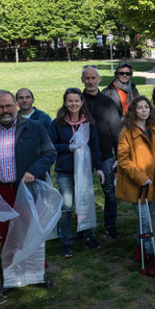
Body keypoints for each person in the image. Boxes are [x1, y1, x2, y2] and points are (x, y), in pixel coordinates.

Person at [0, 91, 57, 290]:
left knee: (32, 231)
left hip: (27, 189)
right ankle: (12, 277)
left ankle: (37, 274)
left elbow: (49, 153)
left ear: (16, 106)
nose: (5, 110)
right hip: (1, 191)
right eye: (0, 107)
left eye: (9, 106)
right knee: (7, 234)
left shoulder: (34, 128)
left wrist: (33, 171)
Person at [116, 96, 155, 276]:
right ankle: (150, 255)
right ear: (134, 111)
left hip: (153, 183)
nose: (144, 111)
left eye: (146, 107)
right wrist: (139, 177)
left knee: (148, 218)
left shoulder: (152, 129)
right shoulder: (127, 132)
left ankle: (141, 248)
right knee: (145, 222)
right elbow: (123, 160)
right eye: (140, 108)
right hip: (137, 184)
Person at [48, 88, 105, 259]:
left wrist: (99, 168)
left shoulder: (88, 123)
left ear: (81, 103)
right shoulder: (57, 123)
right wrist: (68, 147)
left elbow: (95, 146)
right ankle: (66, 243)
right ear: (65, 103)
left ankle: (88, 236)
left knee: (86, 203)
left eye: (76, 101)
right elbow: (51, 146)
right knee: (67, 208)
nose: (73, 104)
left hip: (85, 170)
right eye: (70, 101)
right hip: (65, 171)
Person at [81, 65, 122, 238]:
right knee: (83, 193)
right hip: (82, 155)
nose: (90, 81)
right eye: (87, 78)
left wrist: (118, 156)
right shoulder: (77, 101)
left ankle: (110, 224)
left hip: (105, 154)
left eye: (93, 78)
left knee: (110, 193)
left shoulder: (107, 102)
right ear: (82, 79)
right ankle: (85, 227)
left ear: (99, 79)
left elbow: (116, 131)